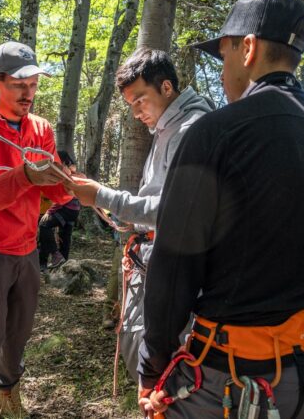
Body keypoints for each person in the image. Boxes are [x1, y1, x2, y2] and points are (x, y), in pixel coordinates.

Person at [137, 0, 304, 419]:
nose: (222, 73)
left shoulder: (215, 134)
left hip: (229, 378)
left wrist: (154, 363)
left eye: (225, 56)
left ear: (248, 48)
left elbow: (174, 264)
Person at [65, 47, 214, 380]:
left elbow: (177, 209)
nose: (135, 113)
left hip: (174, 266)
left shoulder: (190, 130)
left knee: (160, 356)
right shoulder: (166, 129)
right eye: (130, 104)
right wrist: (125, 215)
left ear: (166, 87)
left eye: (139, 100)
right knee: (141, 349)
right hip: (154, 260)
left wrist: (104, 196)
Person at [0, 41, 74, 419]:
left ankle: (7, 395)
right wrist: (25, 174)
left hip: (26, 250)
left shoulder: (39, 128)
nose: (29, 93)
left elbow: (53, 191)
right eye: (19, 84)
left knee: (18, 335)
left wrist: (67, 183)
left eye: (34, 84)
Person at [38, 150, 81, 271]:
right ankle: (63, 266)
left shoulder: (64, 172)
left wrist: (49, 211)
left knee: (44, 225)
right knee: (65, 237)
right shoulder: (74, 171)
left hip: (65, 208)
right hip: (74, 210)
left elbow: (63, 197)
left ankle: (54, 256)